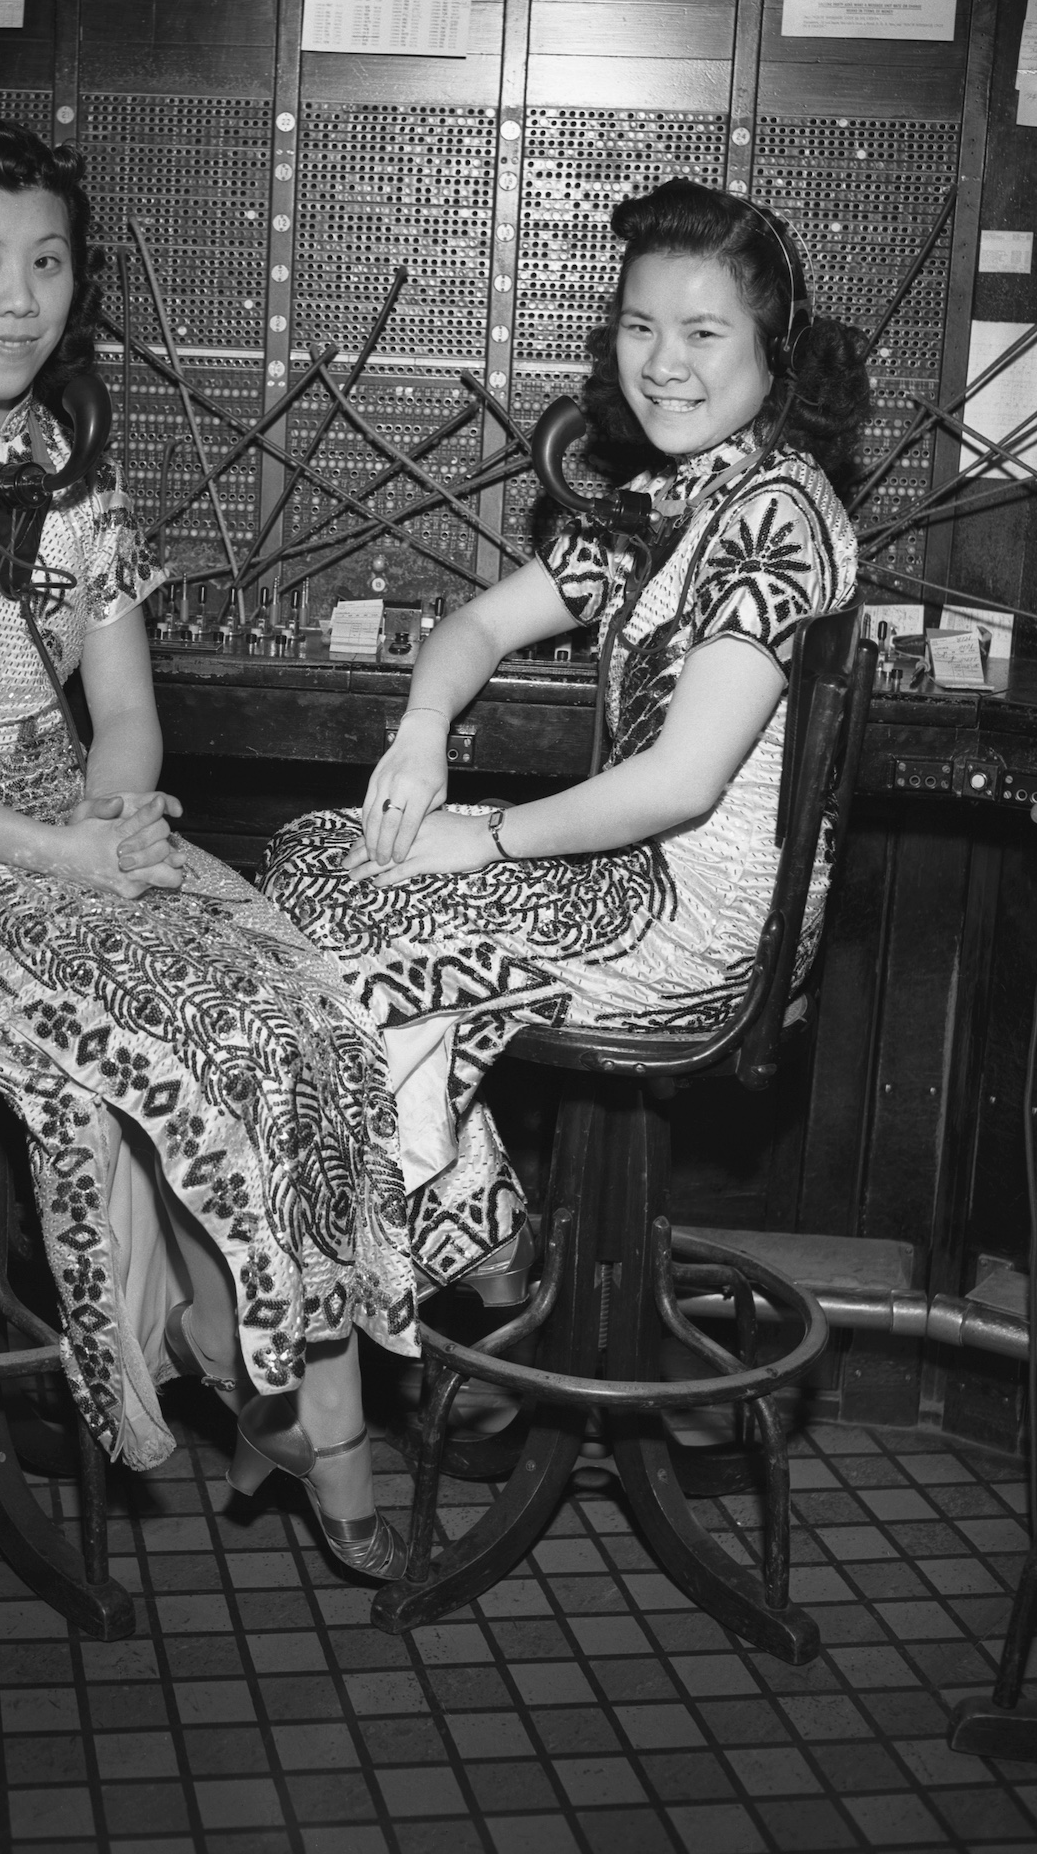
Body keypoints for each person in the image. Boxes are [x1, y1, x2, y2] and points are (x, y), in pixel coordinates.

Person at [0, 119, 410, 1576]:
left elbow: (123, 714)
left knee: (298, 998)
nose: (17, 296)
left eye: (45, 262)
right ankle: (238, 1372)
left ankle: (306, 1398)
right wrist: (62, 855)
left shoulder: (71, 467)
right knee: (165, 1031)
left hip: (68, 829)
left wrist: (112, 811)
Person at [261, 178, 870, 1306]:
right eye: (641, 327)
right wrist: (421, 735)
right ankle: (468, 1219)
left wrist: (481, 837)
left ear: (773, 351)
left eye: (703, 331)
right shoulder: (675, 501)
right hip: (629, 871)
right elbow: (481, 623)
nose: (665, 362)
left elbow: (683, 785)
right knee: (311, 853)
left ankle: (422, 1260)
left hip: (696, 917)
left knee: (348, 903)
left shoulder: (775, 516)